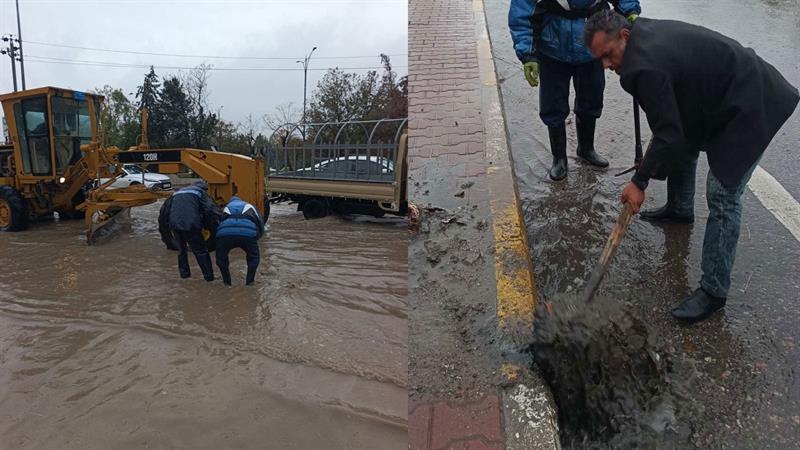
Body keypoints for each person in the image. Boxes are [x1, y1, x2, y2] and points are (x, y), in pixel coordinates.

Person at [583, 10, 799, 322]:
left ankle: (713, 291)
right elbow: (672, 128)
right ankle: (680, 208)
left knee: (723, 194)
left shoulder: (644, 66)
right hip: (721, 93)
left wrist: (639, 183)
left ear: (625, 37)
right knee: (681, 136)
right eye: (599, 59)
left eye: (608, 55)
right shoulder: (639, 39)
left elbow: (667, 134)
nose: (605, 65)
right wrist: (652, 162)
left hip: (752, 100)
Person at [509, 0, 641, 181]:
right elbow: (522, 11)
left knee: (591, 100)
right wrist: (527, 53)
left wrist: (631, 12)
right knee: (553, 105)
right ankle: (559, 158)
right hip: (552, 48)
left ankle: (586, 149)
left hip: (593, 47)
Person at [168, 180, 218, 281]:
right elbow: (210, 209)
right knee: (201, 251)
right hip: (191, 225)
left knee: (181, 251)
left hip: (174, 225)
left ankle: (184, 276)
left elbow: (167, 210)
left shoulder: (177, 193)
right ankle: (209, 278)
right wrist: (211, 226)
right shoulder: (200, 192)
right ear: (203, 188)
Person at [215, 195, 264, 286]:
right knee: (254, 257)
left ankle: (226, 282)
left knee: (221, 257)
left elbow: (220, 222)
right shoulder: (249, 206)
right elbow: (260, 222)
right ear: (241, 200)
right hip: (248, 234)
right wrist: (257, 236)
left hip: (225, 235)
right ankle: (250, 282)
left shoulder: (226, 208)